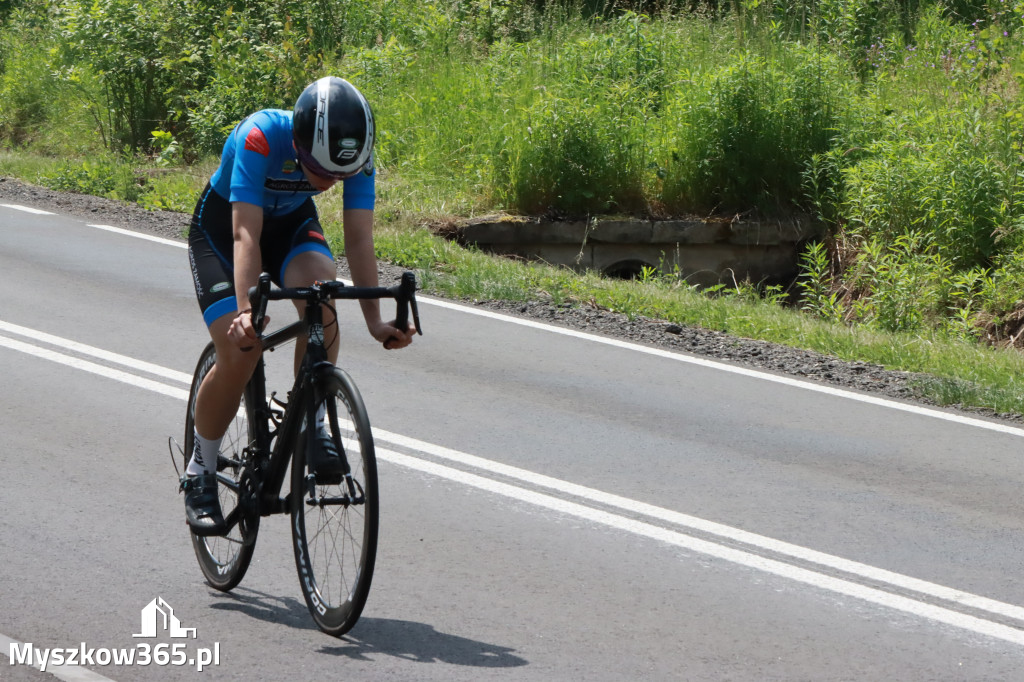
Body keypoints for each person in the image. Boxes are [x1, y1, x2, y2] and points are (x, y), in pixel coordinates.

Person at [183, 76, 414, 535]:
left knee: (323, 295)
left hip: (289, 225)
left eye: (340, 176)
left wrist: (374, 320)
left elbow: (359, 235)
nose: (332, 183)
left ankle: (311, 420)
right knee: (241, 350)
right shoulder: (260, 136)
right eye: (323, 173)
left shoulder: (357, 153)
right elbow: (245, 234)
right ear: (300, 144)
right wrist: (249, 312)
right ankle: (200, 470)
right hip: (224, 231)